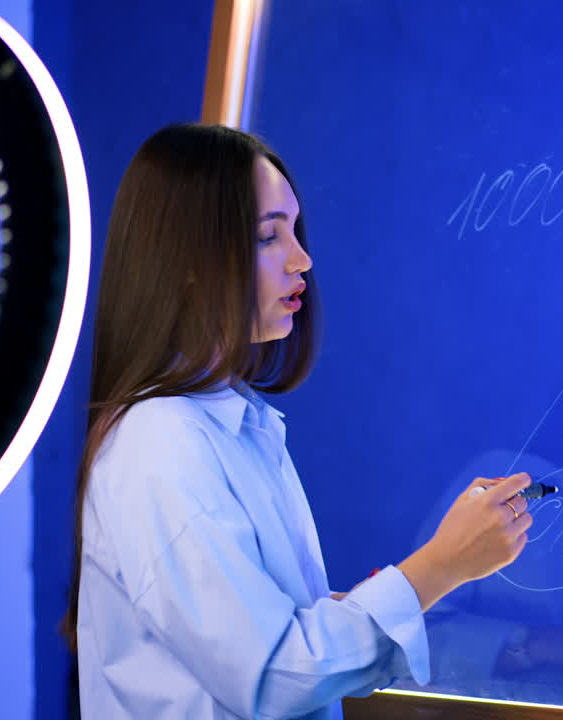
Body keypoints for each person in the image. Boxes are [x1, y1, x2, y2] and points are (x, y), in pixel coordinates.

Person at [62, 123, 535, 720]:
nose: (302, 260)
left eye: (294, 230)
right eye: (268, 237)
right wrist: (442, 564)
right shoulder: (160, 444)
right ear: (185, 260)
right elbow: (273, 675)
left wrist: (432, 574)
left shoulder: (239, 427)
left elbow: (277, 638)